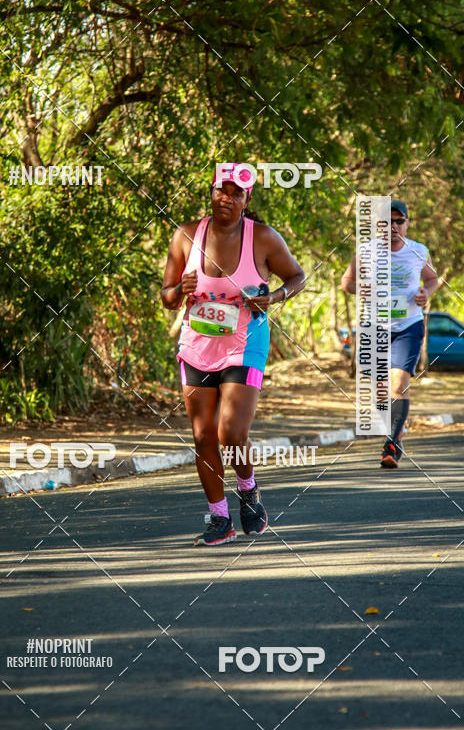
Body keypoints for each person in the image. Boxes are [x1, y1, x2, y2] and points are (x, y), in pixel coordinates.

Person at [160, 164, 306, 545]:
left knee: (231, 431)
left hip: (246, 344)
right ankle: (219, 517)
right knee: (203, 435)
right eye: (220, 190)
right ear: (211, 192)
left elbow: (298, 277)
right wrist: (179, 290)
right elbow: (167, 298)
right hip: (198, 346)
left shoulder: (264, 238)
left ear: (246, 198)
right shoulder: (186, 236)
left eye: (236, 193)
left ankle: (248, 489)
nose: (226, 198)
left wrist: (274, 296)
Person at [341, 200, 439, 468]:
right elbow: (346, 282)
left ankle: (391, 445)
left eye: (399, 221)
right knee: (381, 391)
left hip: (408, 326)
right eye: (387, 222)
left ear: (407, 224)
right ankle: (396, 430)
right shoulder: (366, 251)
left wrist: (426, 293)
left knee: (399, 384)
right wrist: (361, 288)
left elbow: (432, 279)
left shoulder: (418, 251)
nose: (393, 226)